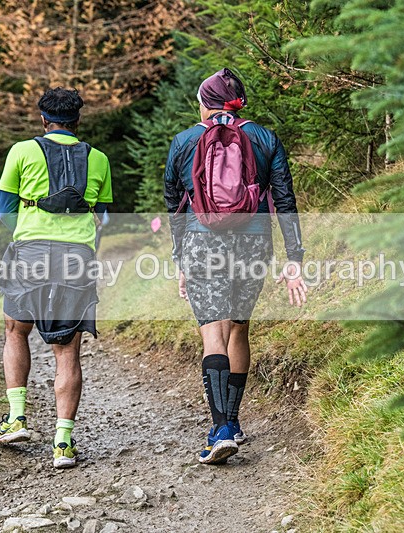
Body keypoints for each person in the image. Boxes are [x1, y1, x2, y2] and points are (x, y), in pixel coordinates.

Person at [164, 68, 307, 465]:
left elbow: (174, 207)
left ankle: (221, 428)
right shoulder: (265, 139)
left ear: (204, 103)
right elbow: (285, 200)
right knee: (239, 328)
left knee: (213, 330)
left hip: (201, 241)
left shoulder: (184, 141)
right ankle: (235, 421)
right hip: (254, 243)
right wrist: (294, 258)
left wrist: (180, 259)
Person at [0, 87, 112, 469]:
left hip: (30, 253)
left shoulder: (22, 151)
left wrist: (26, 231)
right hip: (76, 256)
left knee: (15, 330)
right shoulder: (98, 158)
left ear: (43, 120)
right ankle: (63, 443)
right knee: (68, 350)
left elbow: (4, 208)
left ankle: (16, 419)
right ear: (78, 121)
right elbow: (103, 217)